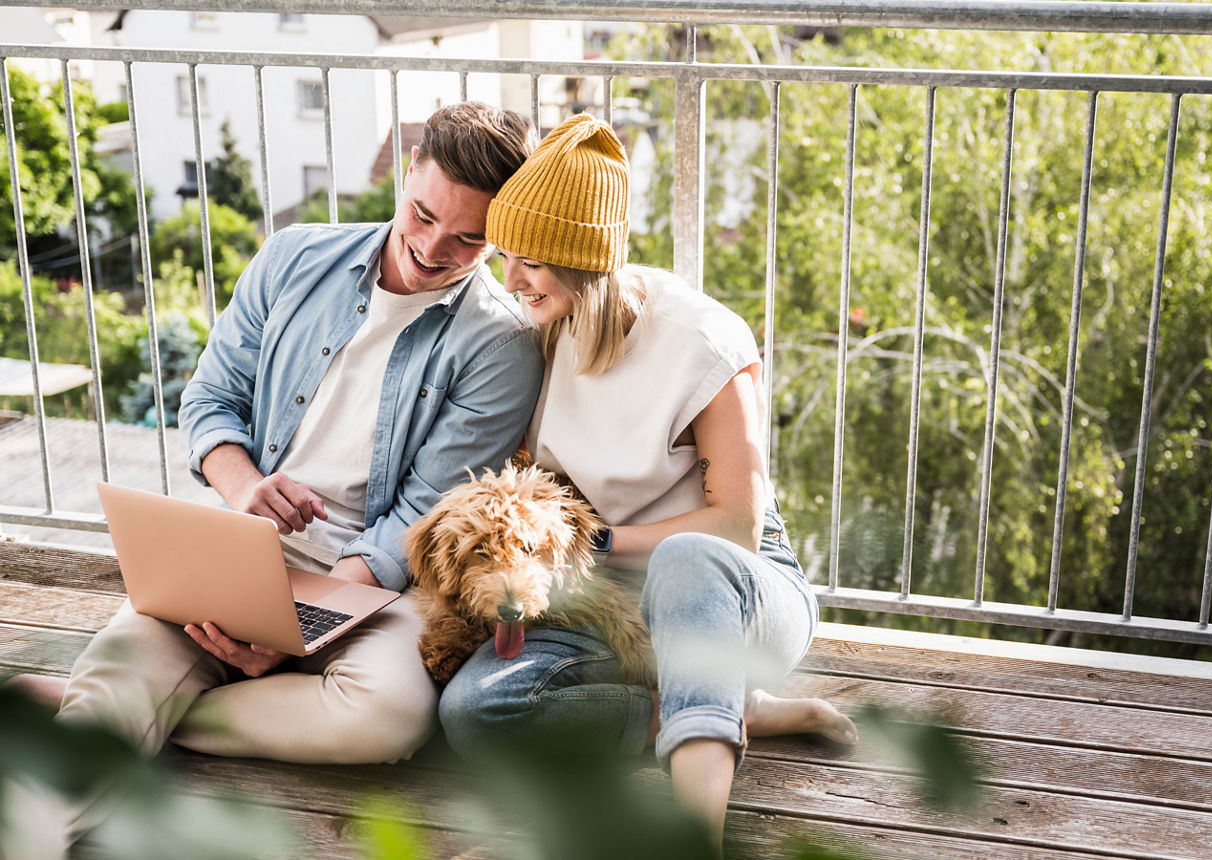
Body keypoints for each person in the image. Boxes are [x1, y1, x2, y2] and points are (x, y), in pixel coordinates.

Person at [3, 101, 543, 857]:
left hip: (377, 584)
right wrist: (244, 488)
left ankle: (136, 714)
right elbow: (210, 399)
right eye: (422, 215)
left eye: (469, 240)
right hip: (244, 548)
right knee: (123, 667)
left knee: (388, 719)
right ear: (406, 174)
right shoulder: (293, 257)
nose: (430, 247)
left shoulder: (502, 341)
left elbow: (424, 516)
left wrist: (294, 635)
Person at [437, 114, 857, 848]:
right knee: (473, 710)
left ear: (582, 260)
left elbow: (737, 528)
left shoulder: (703, 341)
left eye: (531, 260)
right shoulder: (541, 333)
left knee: (687, 560)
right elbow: (525, 482)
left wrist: (589, 541)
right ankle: (726, 710)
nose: (511, 279)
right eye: (507, 256)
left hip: (730, 591)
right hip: (608, 598)